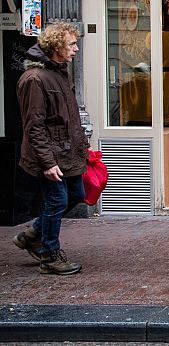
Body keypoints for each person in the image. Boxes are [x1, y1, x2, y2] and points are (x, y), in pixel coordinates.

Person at [13, 23, 89, 275]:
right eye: (71, 44)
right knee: (57, 201)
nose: (76, 49)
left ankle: (35, 233)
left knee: (76, 194)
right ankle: (49, 255)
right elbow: (34, 126)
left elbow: (69, 116)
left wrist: (82, 147)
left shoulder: (59, 72)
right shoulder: (35, 79)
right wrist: (47, 162)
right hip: (51, 155)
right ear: (57, 47)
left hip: (67, 151)